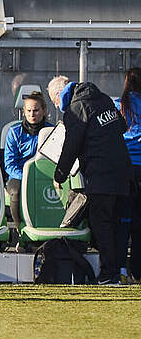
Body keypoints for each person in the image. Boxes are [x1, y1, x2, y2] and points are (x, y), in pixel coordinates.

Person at [49, 75, 131, 284]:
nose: (57, 107)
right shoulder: (102, 98)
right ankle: (119, 270)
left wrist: (60, 174)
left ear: (59, 95)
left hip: (101, 174)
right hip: (122, 170)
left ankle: (108, 275)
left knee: (101, 224)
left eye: (54, 102)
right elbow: (121, 125)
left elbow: (71, 147)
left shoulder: (77, 109)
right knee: (117, 225)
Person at [3, 90, 52, 235]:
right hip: (19, 176)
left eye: (36, 110)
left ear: (44, 111)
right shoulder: (14, 132)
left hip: (46, 175)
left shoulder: (52, 131)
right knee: (16, 192)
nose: (32, 114)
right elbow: (9, 164)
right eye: (29, 110)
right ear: (24, 111)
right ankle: (20, 231)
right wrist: (26, 177)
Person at [117, 68, 141, 279]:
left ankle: (121, 268)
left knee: (123, 220)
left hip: (125, 168)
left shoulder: (119, 105)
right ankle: (137, 270)